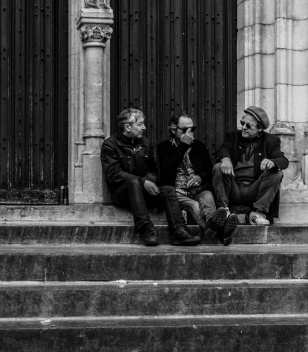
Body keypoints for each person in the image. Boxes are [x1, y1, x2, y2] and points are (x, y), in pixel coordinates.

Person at [101, 108, 200, 247]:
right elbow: (113, 174)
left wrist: (152, 180)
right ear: (127, 127)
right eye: (140, 124)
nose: (144, 127)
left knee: (168, 190)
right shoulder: (110, 145)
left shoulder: (144, 142)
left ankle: (179, 232)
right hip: (122, 193)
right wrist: (142, 181)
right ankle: (147, 230)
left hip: (143, 190)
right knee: (133, 182)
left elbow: (153, 169)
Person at [157, 112, 238, 246]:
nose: (190, 133)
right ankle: (222, 233)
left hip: (198, 189)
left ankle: (213, 224)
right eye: (184, 130)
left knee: (207, 197)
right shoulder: (164, 147)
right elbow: (166, 173)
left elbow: (208, 170)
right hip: (177, 192)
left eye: (192, 129)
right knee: (195, 206)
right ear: (173, 129)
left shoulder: (199, 146)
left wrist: (200, 177)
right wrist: (183, 145)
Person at [212, 106, 289, 225]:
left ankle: (258, 213)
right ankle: (223, 211)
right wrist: (226, 159)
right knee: (218, 167)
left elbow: (283, 160)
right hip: (234, 188)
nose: (243, 127)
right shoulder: (233, 136)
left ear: (259, 129)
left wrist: (273, 162)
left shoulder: (270, 140)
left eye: (248, 126)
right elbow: (223, 149)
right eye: (242, 123)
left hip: (254, 189)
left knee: (277, 173)